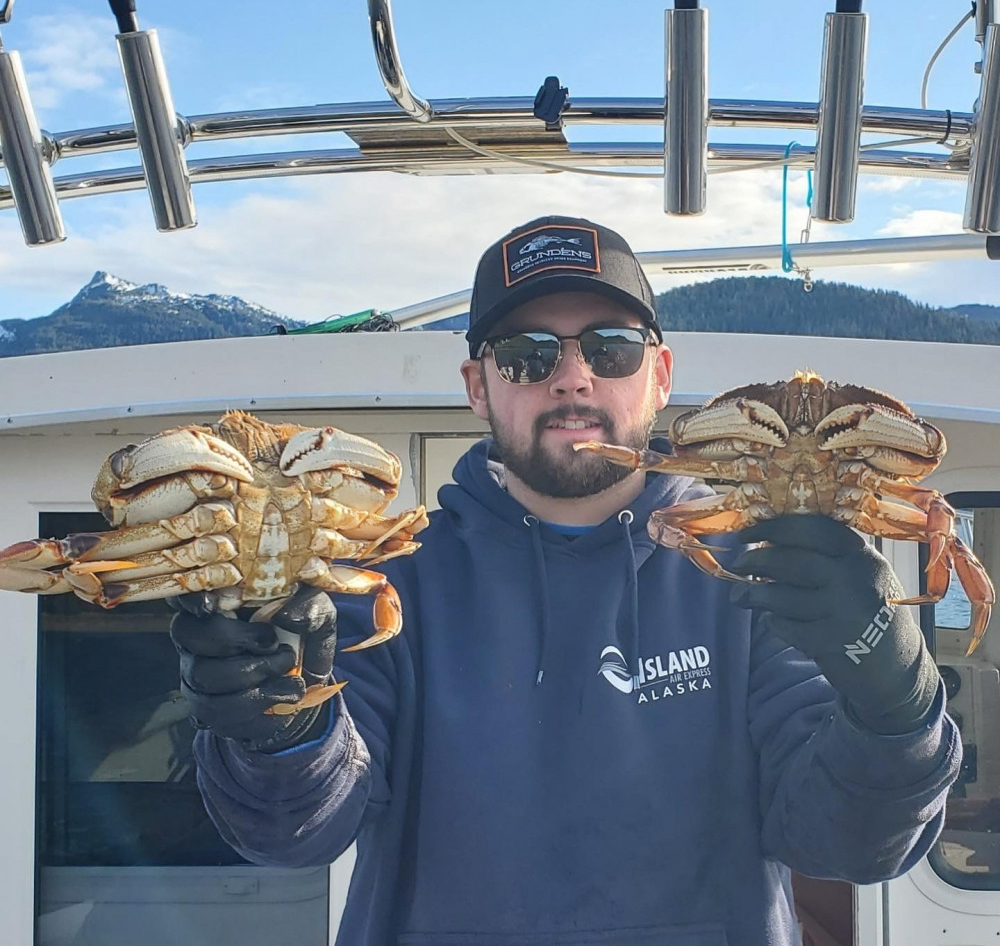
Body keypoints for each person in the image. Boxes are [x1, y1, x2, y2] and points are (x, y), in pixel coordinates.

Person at [170, 216, 960, 946]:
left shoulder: (750, 573)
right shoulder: (386, 584)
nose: (572, 379)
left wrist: (899, 707)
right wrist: (278, 730)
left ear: (659, 375)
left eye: (610, 348)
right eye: (527, 355)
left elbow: (849, 841)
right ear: (478, 385)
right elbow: (293, 833)